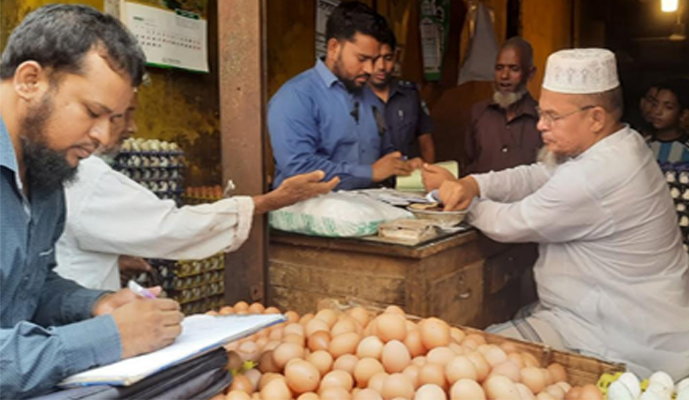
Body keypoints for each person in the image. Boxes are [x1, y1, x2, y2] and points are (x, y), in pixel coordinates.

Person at [436, 48, 689, 379]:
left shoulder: (600, 172)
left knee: (475, 362)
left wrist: (462, 204)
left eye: (553, 117)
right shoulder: (619, 142)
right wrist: (473, 184)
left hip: (628, 338)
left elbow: (511, 223)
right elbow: (537, 175)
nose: (541, 126)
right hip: (609, 319)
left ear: (596, 118)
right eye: (541, 113)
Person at [0, 5, 182, 397]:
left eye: (114, 118)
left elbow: (29, 286)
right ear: (30, 80)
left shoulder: (45, 172)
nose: (102, 137)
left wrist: (95, 305)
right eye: (92, 112)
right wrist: (104, 338)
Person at [55, 93, 338, 291]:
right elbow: (170, 227)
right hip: (76, 319)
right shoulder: (87, 176)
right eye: (123, 115)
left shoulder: (62, 164)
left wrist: (113, 258)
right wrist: (271, 200)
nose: (133, 127)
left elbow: (72, 237)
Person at [268, 1, 418, 191]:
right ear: (333, 48)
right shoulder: (295, 97)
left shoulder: (370, 98)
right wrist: (370, 173)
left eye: (373, 60)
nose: (370, 69)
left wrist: (404, 165)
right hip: (307, 214)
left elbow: (384, 152)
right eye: (362, 59)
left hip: (363, 209)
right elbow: (299, 169)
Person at [422, 36, 542, 188]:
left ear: (530, 73)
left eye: (514, 69)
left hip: (522, 208)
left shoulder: (542, 120)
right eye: (499, 68)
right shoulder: (479, 113)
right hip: (481, 205)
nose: (504, 76)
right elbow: (468, 164)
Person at [369, 28, 435, 163]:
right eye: (374, 59)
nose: (381, 66)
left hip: (406, 179)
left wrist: (429, 174)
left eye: (388, 58)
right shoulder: (351, 97)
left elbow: (426, 144)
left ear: (396, 57)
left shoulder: (410, 95)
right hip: (368, 181)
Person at [646, 77, 689, 163]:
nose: (657, 112)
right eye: (655, 104)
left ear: (683, 114)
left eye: (668, 107)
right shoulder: (641, 146)